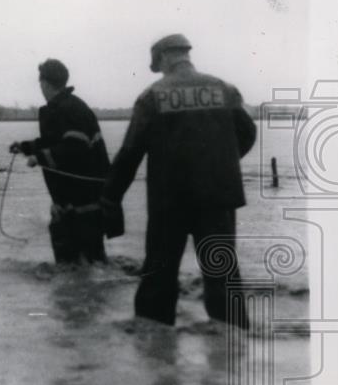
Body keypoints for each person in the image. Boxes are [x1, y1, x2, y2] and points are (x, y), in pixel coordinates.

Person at [102, 34, 257, 329]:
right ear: (186, 55)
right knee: (222, 274)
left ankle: (155, 346)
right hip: (217, 198)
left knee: (158, 277)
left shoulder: (152, 96)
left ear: (161, 58)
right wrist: (221, 162)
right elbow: (247, 133)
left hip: (169, 201)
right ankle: (234, 346)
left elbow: (130, 153)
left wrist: (110, 197)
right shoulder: (224, 89)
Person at [11, 60, 111, 265]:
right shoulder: (67, 106)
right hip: (79, 198)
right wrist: (25, 147)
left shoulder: (69, 108)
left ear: (45, 84)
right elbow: (55, 142)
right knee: (86, 261)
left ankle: (74, 291)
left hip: (83, 200)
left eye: (40, 84)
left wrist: (39, 158)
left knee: (78, 260)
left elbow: (75, 147)